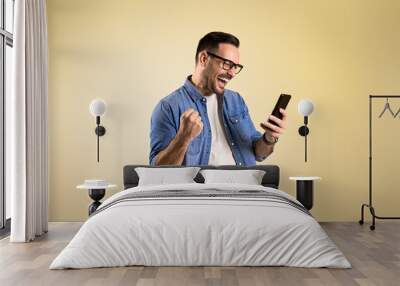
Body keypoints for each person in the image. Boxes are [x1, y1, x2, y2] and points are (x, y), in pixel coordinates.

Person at [149, 31, 287, 166]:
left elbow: (258, 153)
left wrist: (269, 137)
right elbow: (159, 171)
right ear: (204, 59)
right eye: (227, 64)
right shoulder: (168, 107)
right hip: (201, 189)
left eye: (236, 67)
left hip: (244, 186)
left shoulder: (236, 101)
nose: (232, 73)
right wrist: (183, 138)